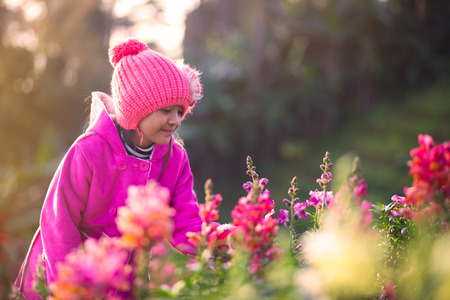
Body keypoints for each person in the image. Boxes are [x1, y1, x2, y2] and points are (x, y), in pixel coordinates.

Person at [14, 38, 206, 299]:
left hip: (123, 281)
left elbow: (185, 220)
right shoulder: (90, 149)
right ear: (138, 109)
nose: (175, 121)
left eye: (180, 112)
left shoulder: (175, 158)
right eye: (166, 110)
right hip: (64, 274)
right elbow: (58, 220)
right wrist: (71, 283)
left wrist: (217, 245)